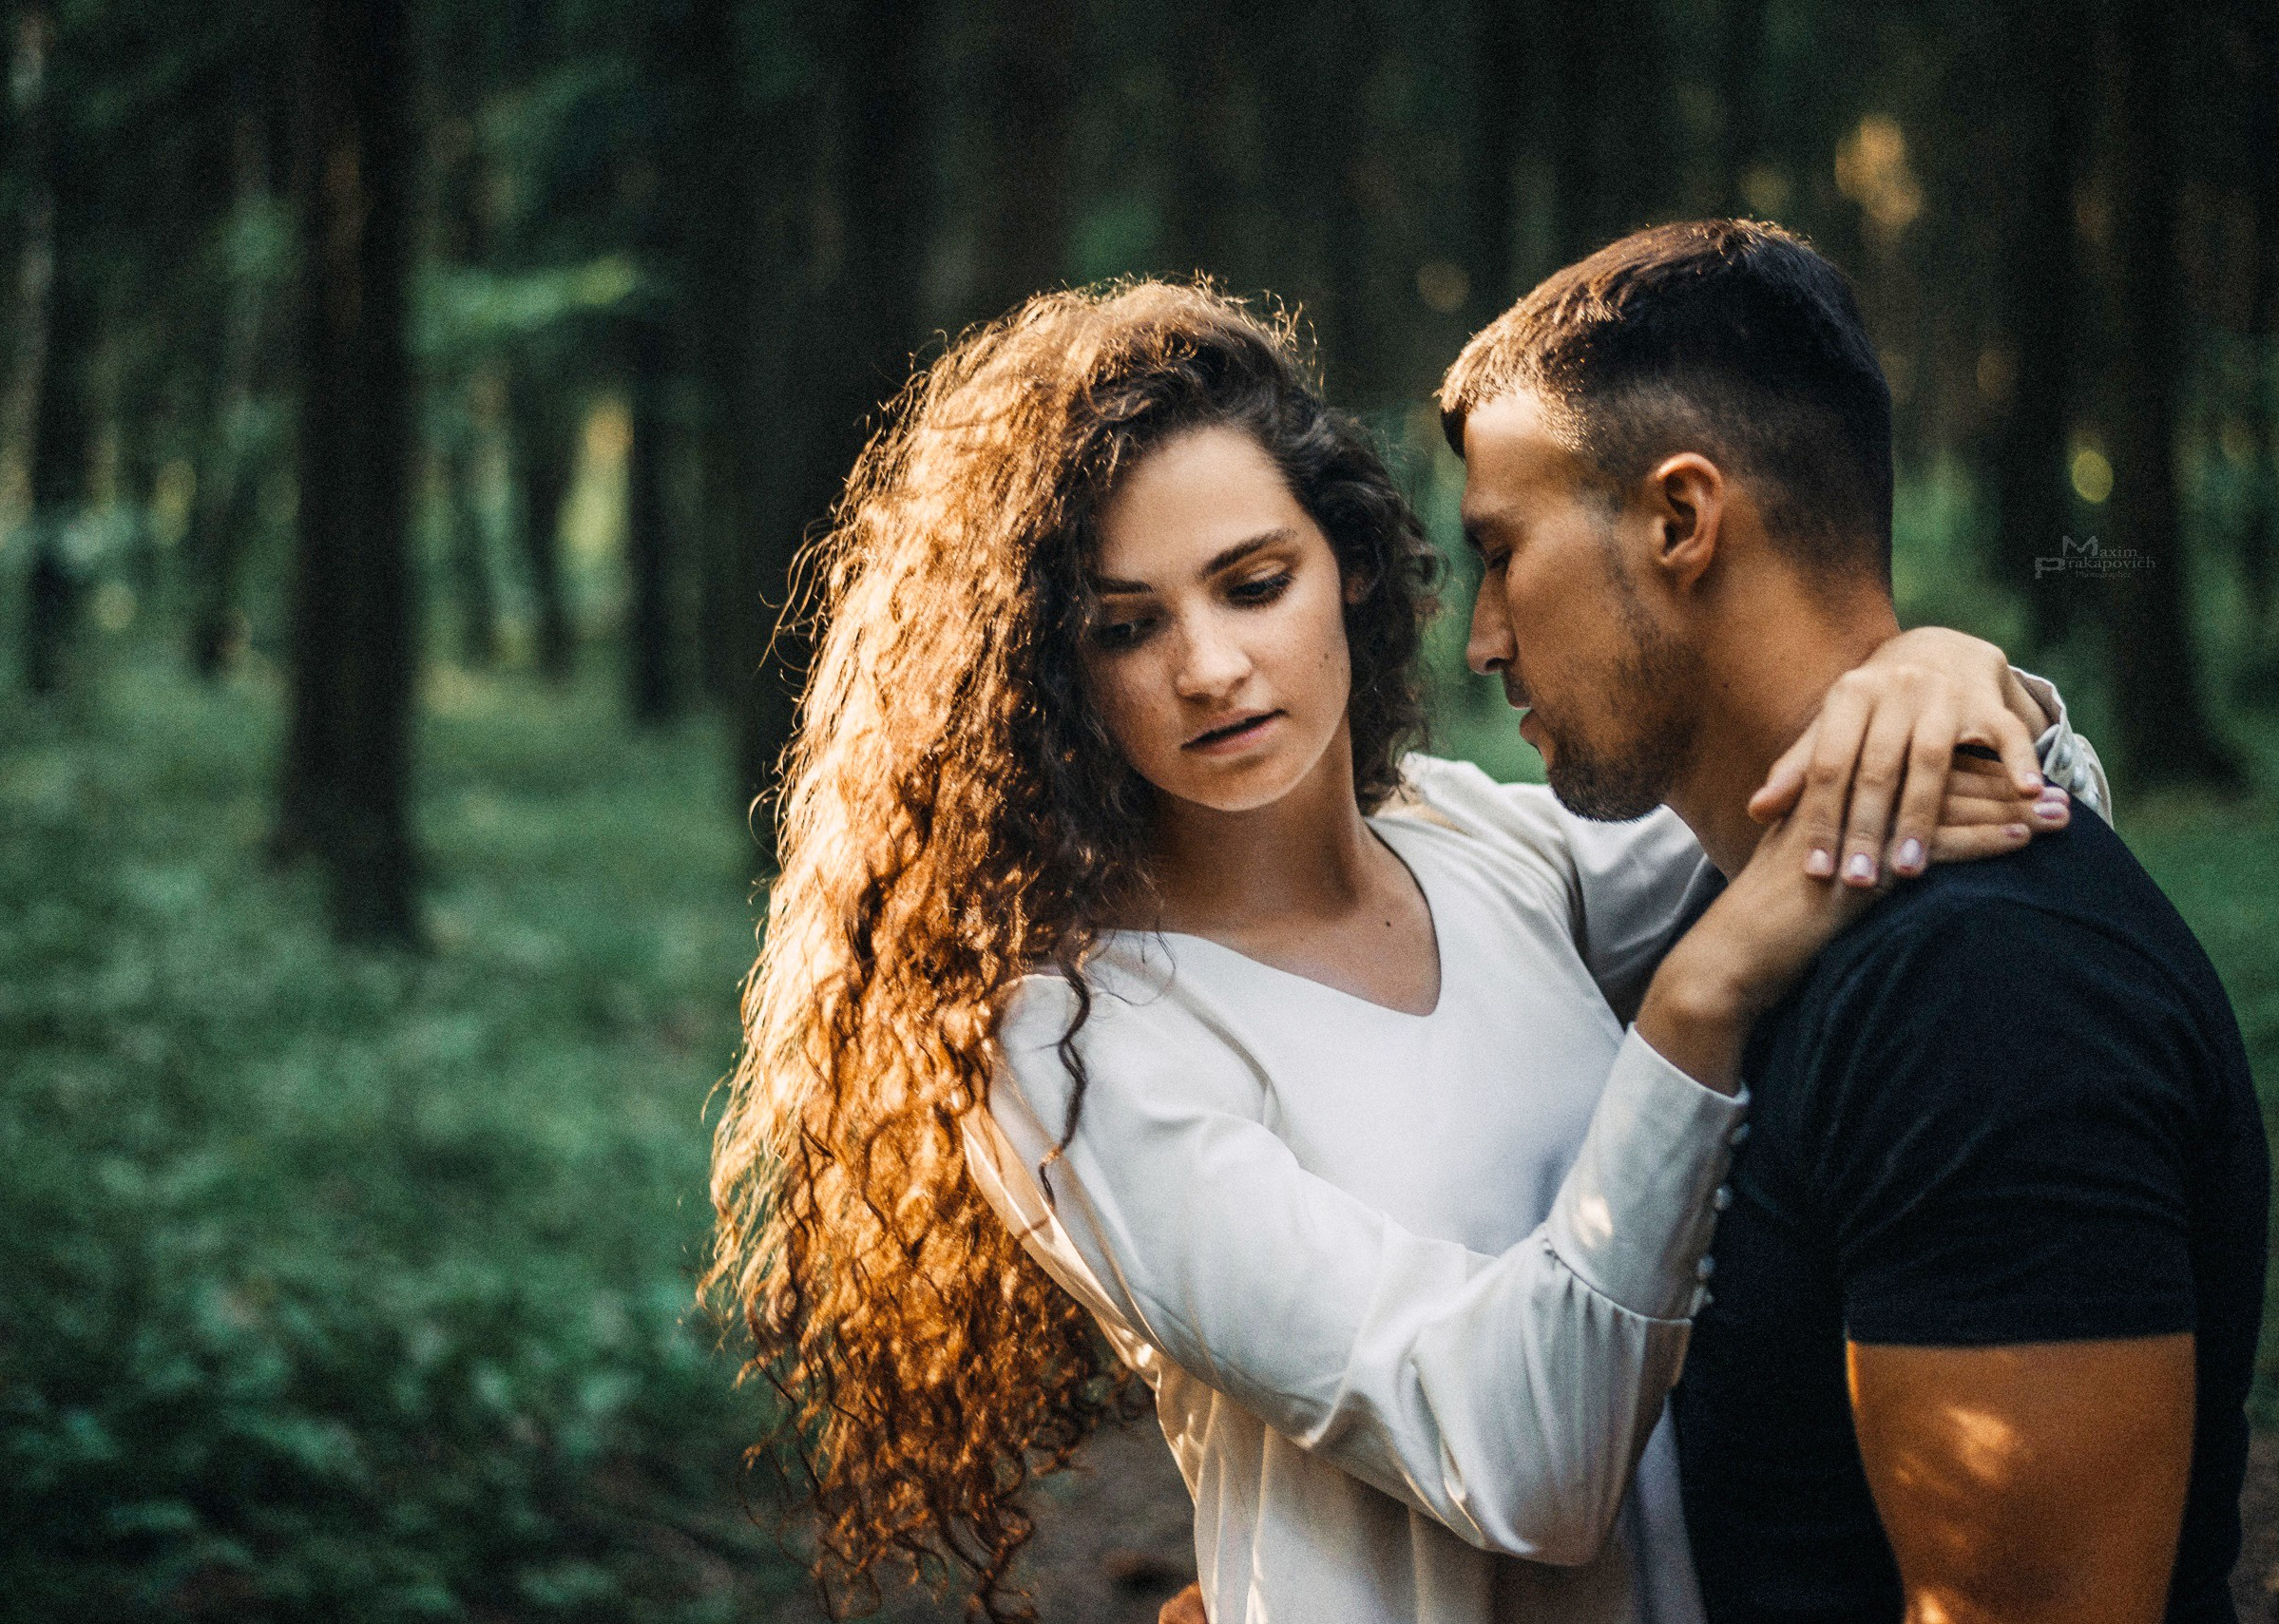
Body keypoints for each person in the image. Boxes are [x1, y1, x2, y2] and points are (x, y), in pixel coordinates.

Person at [705, 279, 2098, 1624]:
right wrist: (1695, 1000)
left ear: (1350, 565)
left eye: (1254, 584)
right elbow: (1530, 1463)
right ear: (1050, 674)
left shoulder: (1475, 838)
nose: (1208, 667)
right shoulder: (1073, 1049)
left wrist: (1934, 671)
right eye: (1125, 627)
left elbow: (1967, 812)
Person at [1434, 219, 2265, 1624]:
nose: (1483, 637)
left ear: (1680, 522)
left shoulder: (1985, 986)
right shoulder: (1750, 906)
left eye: (1502, 552)